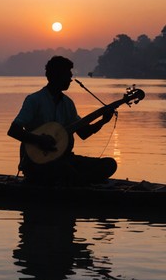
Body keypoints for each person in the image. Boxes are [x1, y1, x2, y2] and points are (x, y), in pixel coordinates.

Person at [8, 55, 118, 185]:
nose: (70, 79)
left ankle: (79, 181)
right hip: (36, 163)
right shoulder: (34, 100)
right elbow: (13, 130)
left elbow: (83, 133)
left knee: (109, 164)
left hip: (64, 158)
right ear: (56, 76)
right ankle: (82, 181)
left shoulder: (68, 103)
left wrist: (103, 121)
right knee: (65, 170)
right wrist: (40, 140)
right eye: (67, 75)